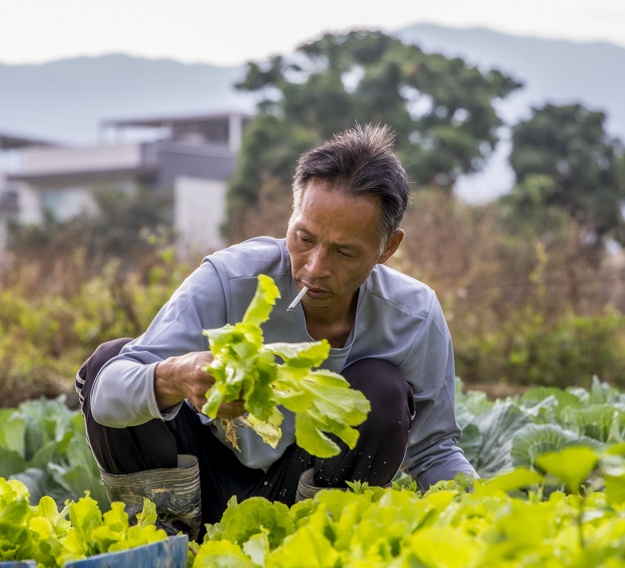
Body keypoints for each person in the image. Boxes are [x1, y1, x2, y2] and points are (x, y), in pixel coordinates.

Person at [75, 124, 476, 533]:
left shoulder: (414, 314)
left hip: (303, 494)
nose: (315, 267)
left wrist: (489, 519)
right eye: (305, 238)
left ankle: (317, 540)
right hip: (201, 477)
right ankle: (168, 536)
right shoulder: (229, 278)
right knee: (111, 362)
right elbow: (105, 398)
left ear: (387, 248)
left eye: (344, 251)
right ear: (292, 217)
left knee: (381, 387)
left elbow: (433, 450)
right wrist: (174, 378)